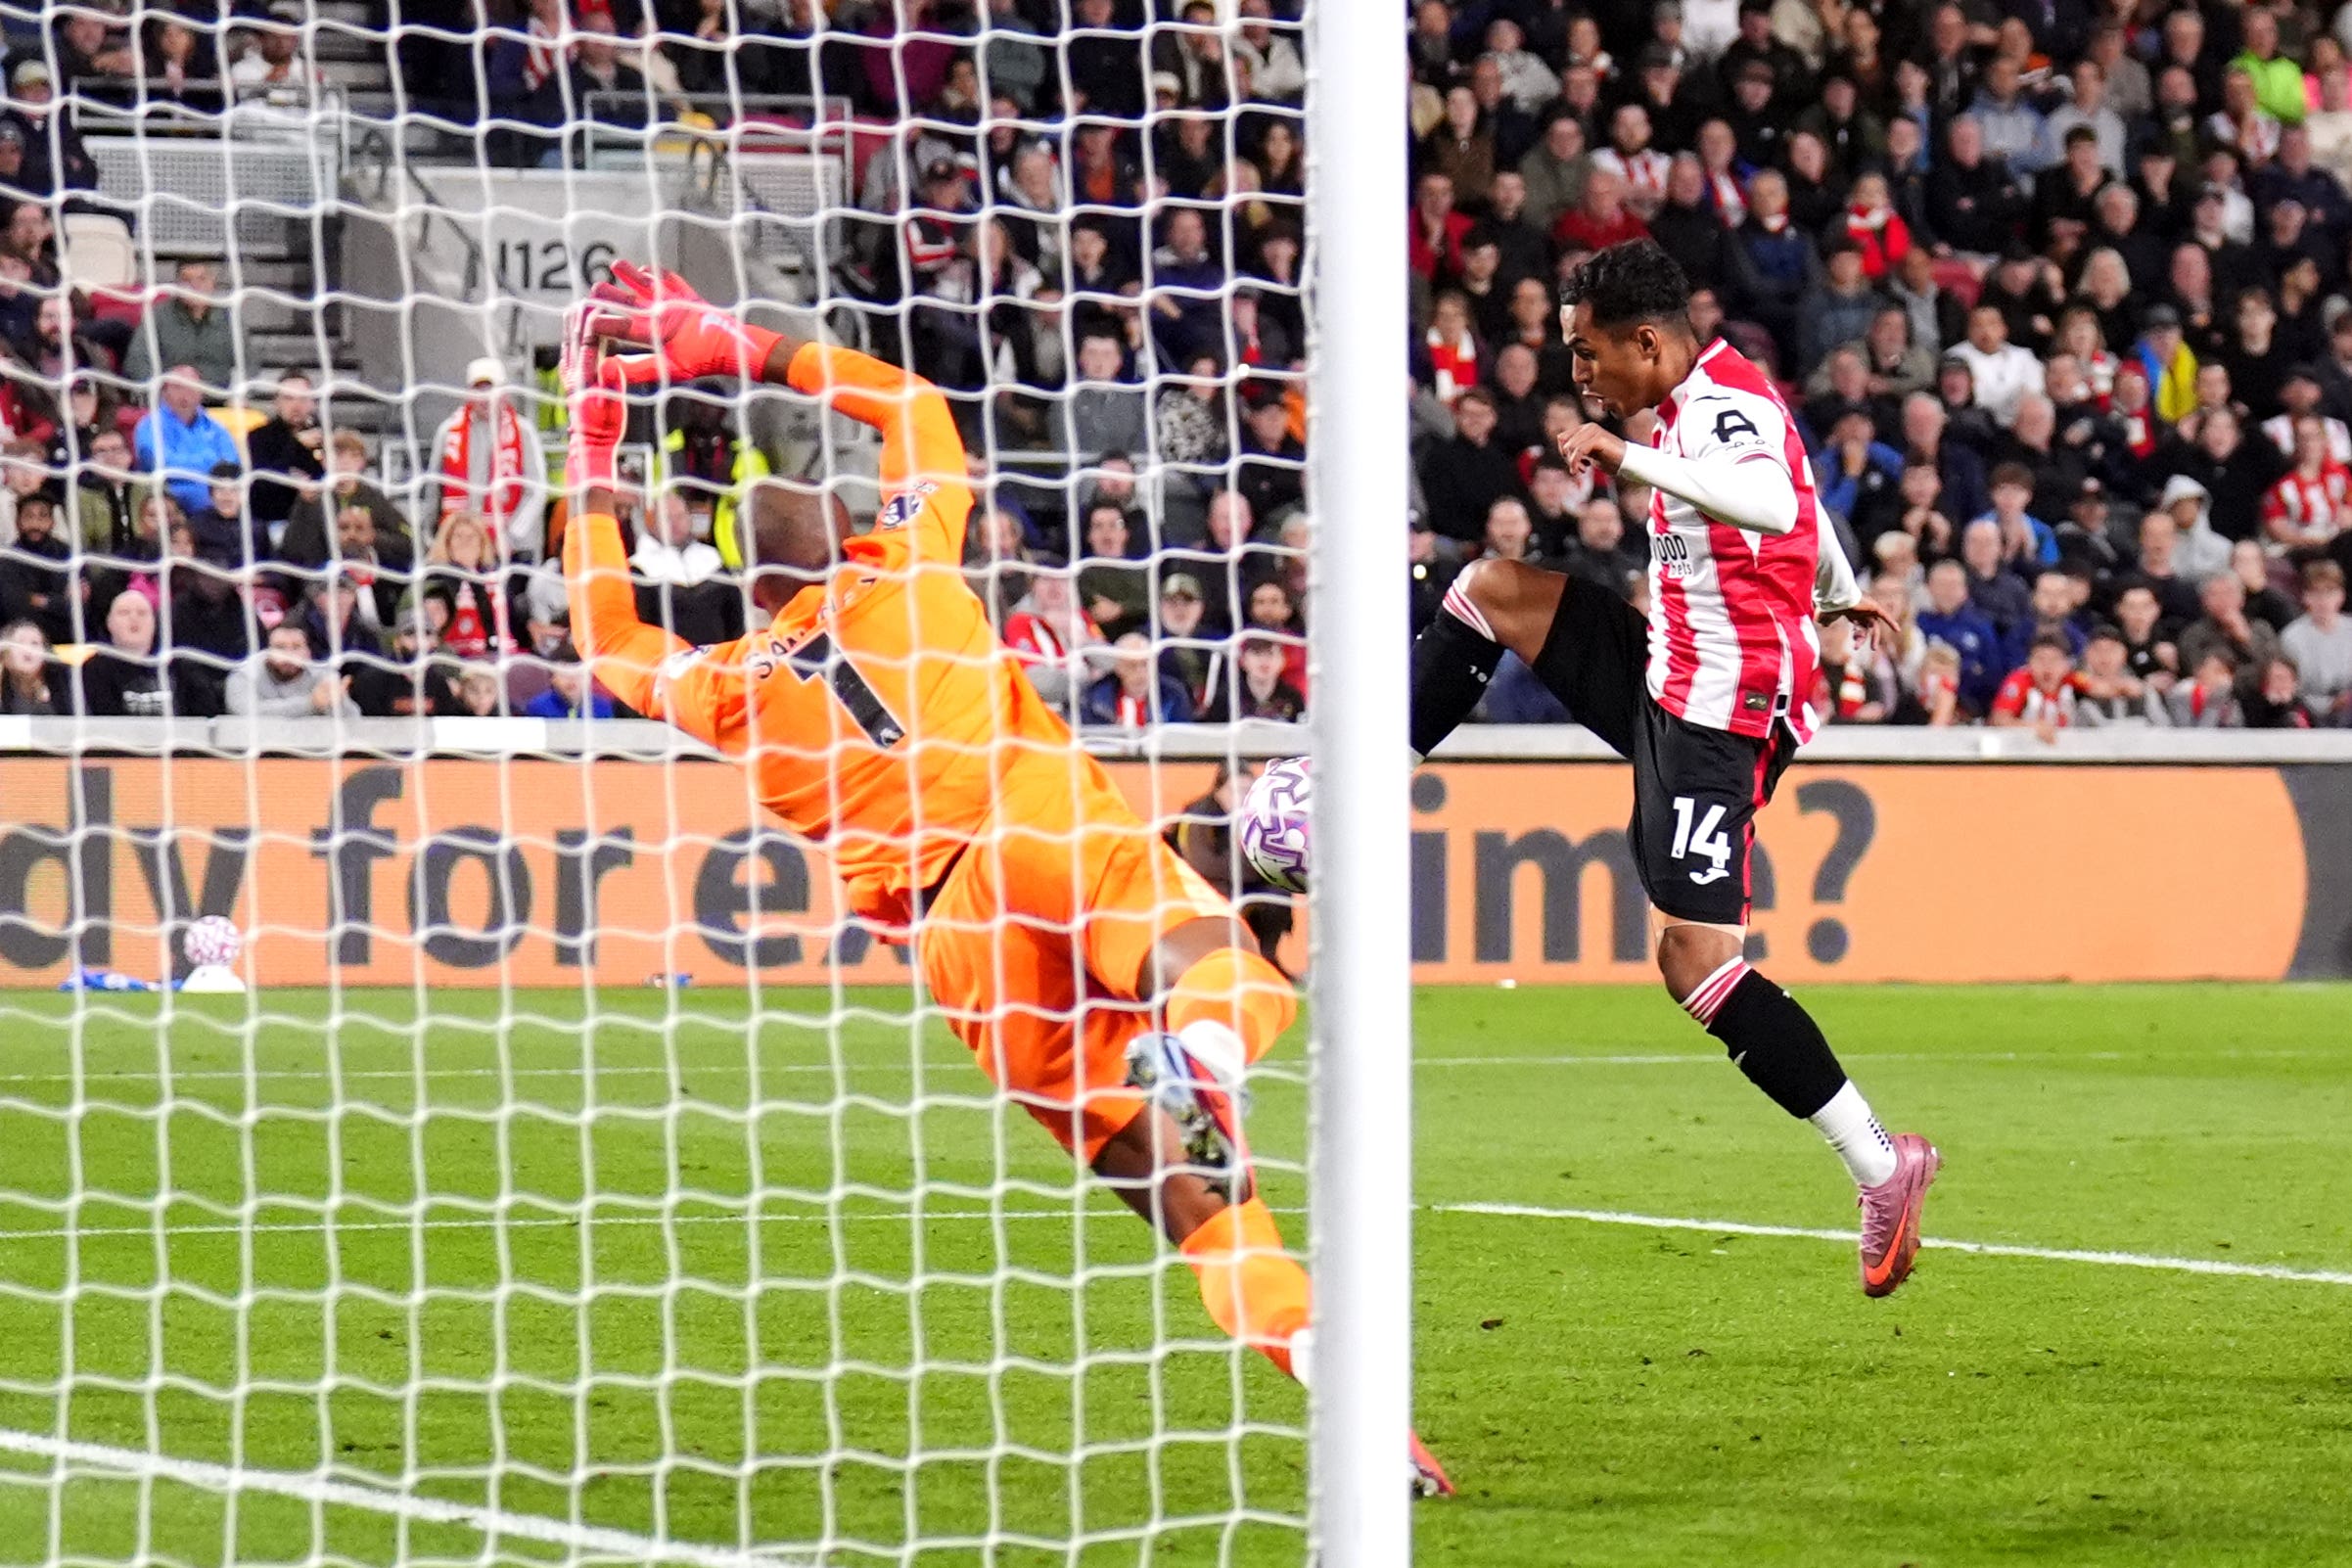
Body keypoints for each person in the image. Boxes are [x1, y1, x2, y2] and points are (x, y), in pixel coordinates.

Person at [561, 264, 1449, 1492]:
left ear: (745, 583)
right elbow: (913, 405)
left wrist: (591, 445)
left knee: (1199, 1205)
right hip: (1030, 822)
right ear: (846, 528)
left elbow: (605, 635)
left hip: (962, 953)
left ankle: (1327, 1376)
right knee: (1224, 974)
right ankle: (1203, 1054)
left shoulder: (726, 689)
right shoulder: (908, 562)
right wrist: (728, 343)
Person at [1406, 240, 1936, 1294]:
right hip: (1670, 671)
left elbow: (1772, 502)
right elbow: (1801, 498)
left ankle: (1883, 1166)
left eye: (1587, 352)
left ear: (1645, 342)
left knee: (1694, 961)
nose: (1579, 374)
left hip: (1724, 716)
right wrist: (1838, 589)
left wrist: (1625, 457)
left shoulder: (1715, 412)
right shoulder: (1718, 393)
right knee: (1491, 591)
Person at [1167, 761, 1294, 971]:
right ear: (1219, 791)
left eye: (1248, 791)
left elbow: (1275, 860)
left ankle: (1267, 959)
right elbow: (1202, 863)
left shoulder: (1262, 817)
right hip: (1205, 887)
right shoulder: (1198, 816)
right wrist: (1247, 865)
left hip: (1246, 884)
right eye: (1236, 790)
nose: (1242, 797)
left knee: (1278, 892)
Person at [432, 356, 547, 562]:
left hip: (513, 550)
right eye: (478, 390)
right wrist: (432, 537)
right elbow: (433, 489)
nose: (485, 398)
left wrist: (511, 536)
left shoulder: (524, 431)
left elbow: (537, 490)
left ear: (504, 392)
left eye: (491, 390)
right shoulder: (448, 432)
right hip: (461, 548)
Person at [226, 620, 359, 718]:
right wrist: (310, 704)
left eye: (296, 647)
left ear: (308, 652)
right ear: (266, 652)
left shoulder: (322, 675)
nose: (289, 655)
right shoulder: (244, 674)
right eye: (280, 647)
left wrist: (339, 703)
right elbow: (243, 712)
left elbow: (353, 720)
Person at [75, 588, 170, 716]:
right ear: (109, 623)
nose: (134, 618)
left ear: (154, 623)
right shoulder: (95, 669)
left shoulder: (174, 666)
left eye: (142, 613)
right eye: (124, 613)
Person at [0, 617, 65, 714]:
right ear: (5, 654)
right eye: (20, 643)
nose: (28, 649)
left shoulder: (62, 688)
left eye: (35, 643)